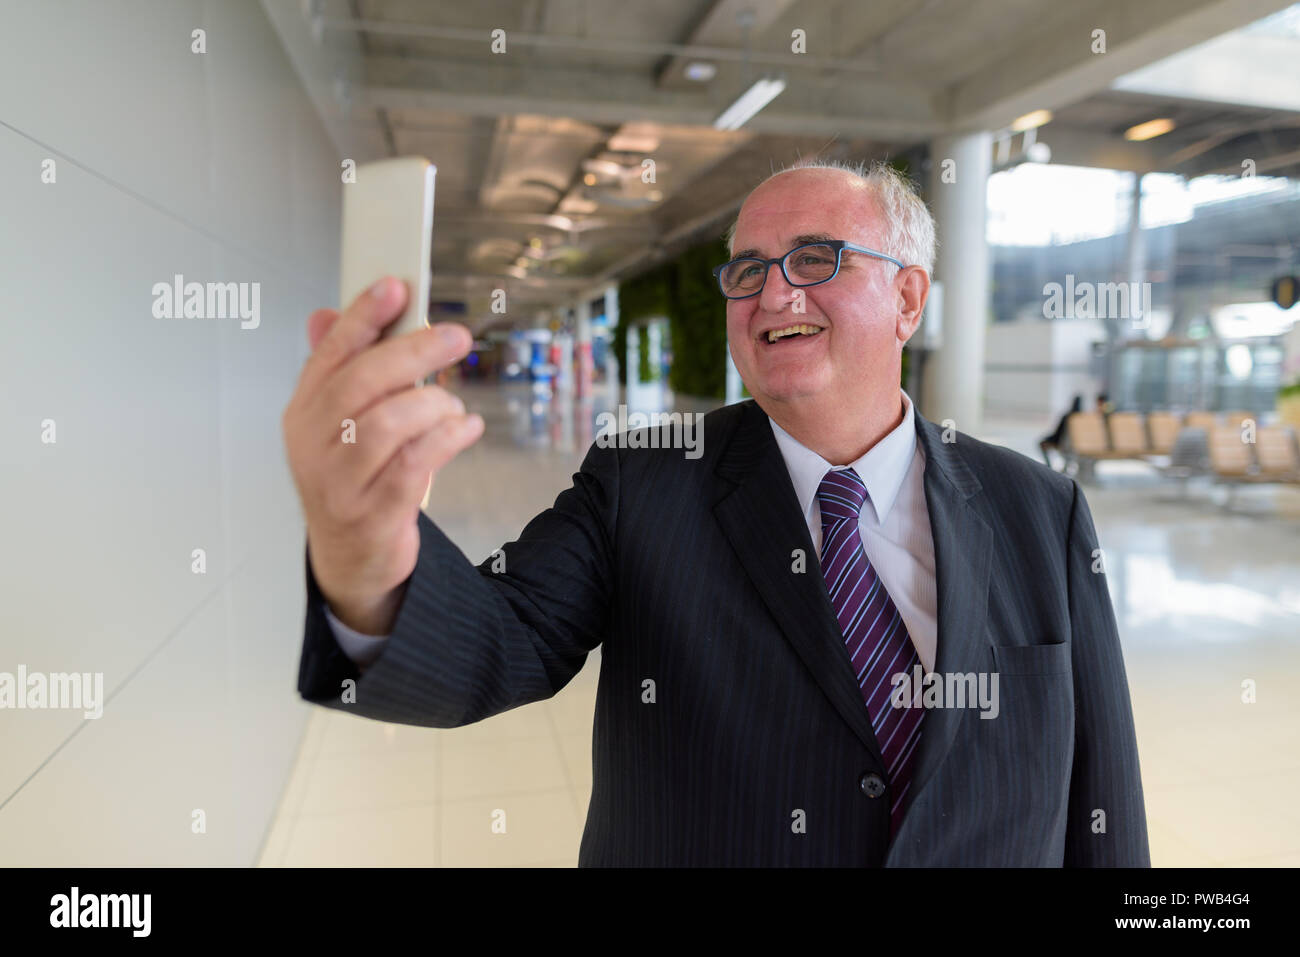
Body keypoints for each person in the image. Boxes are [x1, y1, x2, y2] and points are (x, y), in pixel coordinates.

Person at [282, 159, 1150, 867]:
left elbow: (1103, 804)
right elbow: (497, 640)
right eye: (747, 272)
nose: (774, 295)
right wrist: (367, 555)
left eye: (816, 258)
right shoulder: (643, 483)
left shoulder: (1040, 508)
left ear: (909, 301)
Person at [1039, 394, 1083, 469]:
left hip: (1063, 444)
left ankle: (1049, 467)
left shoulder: (1067, 416)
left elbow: (1058, 433)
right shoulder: (1084, 418)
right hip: (1080, 446)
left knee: (1042, 443)